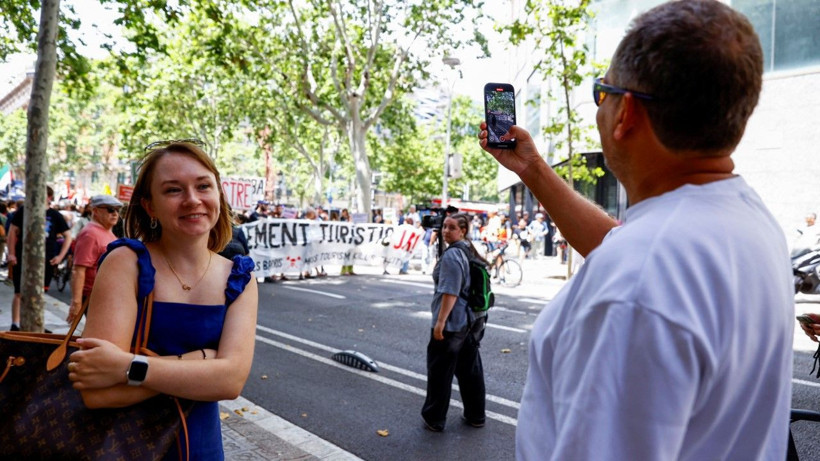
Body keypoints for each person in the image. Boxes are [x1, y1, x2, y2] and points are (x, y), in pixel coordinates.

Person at [479, 1, 793, 459]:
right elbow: (621, 243)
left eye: (601, 91)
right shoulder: (747, 221)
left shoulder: (634, 286)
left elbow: (637, 265)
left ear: (625, 113)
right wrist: (532, 169)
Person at [66, 140, 258, 460]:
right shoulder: (126, 262)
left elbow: (230, 382)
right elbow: (97, 392)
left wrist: (128, 367)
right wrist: (199, 363)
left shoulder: (240, 279)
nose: (192, 199)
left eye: (203, 186)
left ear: (218, 195)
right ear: (150, 206)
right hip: (124, 449)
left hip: (201, 450)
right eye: (173, 190)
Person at [421, 213, 488, 432]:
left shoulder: (452, 255)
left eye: (451, 228)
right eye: (444, 227)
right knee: (470, 371)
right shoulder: (467, 249)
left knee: (440, 372)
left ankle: (434, 418)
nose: (445, 231)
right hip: (470, 321)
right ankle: (476, 415)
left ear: (462, 231)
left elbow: (450, 291)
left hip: (452, 323)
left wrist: (440, 323)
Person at [6, 186, 72, 331]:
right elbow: (12, 231)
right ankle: (15, 323)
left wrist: (60, 256)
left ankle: (37, 323)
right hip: (23, 257)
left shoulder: (55, 215)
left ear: (49, 197)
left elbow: (68, 236)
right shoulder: (24, 211)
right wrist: (11, 253)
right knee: (19, 292)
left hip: (46, 260)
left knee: (41, 293)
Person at [66, 195, 123, 323]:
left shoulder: (106, 231)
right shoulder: (90, 233)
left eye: (117, 210)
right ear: (96, 211)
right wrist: (76, 302)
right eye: (110, 209)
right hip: (93, 296)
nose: (115, 214)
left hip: (105, 296)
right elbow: (79, 269)